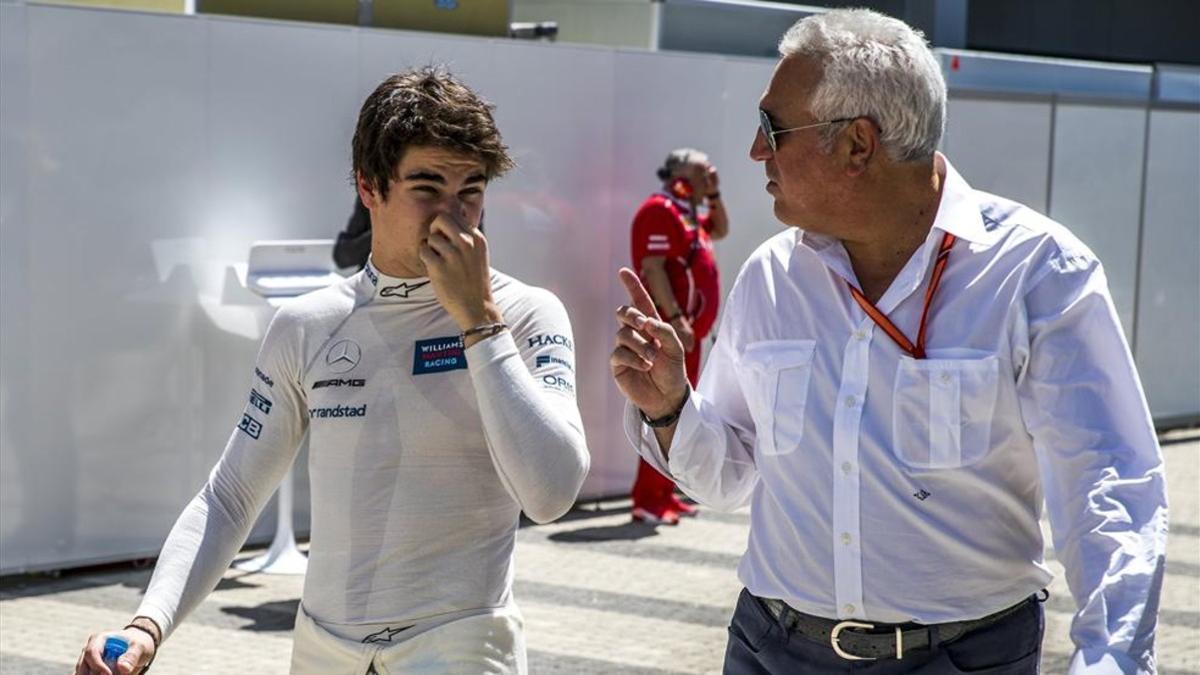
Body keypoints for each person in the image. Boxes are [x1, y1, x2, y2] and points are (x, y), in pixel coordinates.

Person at [611, 9, 1166, 674]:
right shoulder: (770, 276)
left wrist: (1112, 660)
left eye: (772, 129)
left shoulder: (1037, 271)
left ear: (858, 145)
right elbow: (729, 477)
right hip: (769, 647)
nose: (756, 152)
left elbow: (1109, 483)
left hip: (963, 659)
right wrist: (670, 407)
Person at [76, 67, 590, 675]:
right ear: (369, 187)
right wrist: (148, 624)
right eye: (427, 187)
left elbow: (552, 494)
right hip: (325, 651)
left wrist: (479, 322)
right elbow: (232, 493)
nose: (454, 217)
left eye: (471, 190)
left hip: (463, 646)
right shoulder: (308, 324)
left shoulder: (526, 313)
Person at [627, 148, 729, 525]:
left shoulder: (688, 214)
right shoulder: (660, 210)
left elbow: (720, 230)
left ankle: (666, 493)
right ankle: (647, 500)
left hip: (688, 338)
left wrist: (714, 193)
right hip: (669, 336)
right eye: (703, 173)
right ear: (679, 176)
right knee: (661, 414)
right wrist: (676, 319)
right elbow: (653, 269)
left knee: (681, 418)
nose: (709, 178)